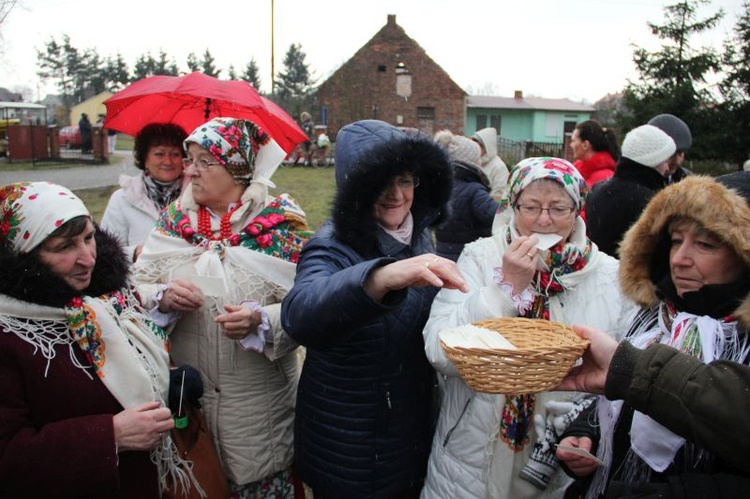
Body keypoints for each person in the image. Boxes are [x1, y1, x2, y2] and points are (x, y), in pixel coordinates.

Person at [420, 157, 638, 499]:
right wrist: (505, 288)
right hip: (473, 453)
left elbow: (623, 373)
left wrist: (588, 430)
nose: (543, 220)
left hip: (558, 452)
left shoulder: (609, 276)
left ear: (577, 209)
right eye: (531, 206)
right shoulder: (480, 257)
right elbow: (439, 351)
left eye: (558, 207)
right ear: (512, 205)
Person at [280, 119, 468, 498]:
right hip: (351, 448)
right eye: (380, 182)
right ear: (356, 188)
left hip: (408, 436)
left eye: (404, 180)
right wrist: (379, 278)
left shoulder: (419, 236)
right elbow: (300, 315)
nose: (396, 194)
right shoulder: (331, 245)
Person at [132, 117, 311, 498]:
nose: (189, 170)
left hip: (259, 422)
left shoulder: (280, 228)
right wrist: (160, 298)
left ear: (237, 169)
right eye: (188, 158)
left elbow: (308, 308)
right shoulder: (172, 224)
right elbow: (132, 292)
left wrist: (261, 322)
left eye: (202, 161)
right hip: (188, 416)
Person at [557, 173, 750, 498]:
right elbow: (618, 397)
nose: (680, 259)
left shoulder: (741, 341)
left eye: (705, 244)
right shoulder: (654, 315)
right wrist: (585, 434)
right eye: (676, 240)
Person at [0, 181, 191, 498]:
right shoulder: (10, 332)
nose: (88, 258)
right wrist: (110, 436)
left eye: (89, 237)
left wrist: (170, 380)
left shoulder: (106, 296)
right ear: (23, 255)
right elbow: (8, 457)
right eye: (64, 247)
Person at [100, 123, 189, 263]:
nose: (168, 161)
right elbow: (105, 251)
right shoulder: (123, 199)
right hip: (139, 281)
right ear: (145, 159)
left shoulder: (199, 195)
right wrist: (134, 253)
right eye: (159, 154)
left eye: (175, 154)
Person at [585, 124, 675, 257]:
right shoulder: (651, 201)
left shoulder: (597, 190)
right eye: (665, 161)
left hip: (597, 269)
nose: (667, 168)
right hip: (631, 276)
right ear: (653, 160)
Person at [434, 129, 499, 261]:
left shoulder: (440, 187)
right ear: (471, 162)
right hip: (469, 255)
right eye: (478, 158)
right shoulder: (474, 190)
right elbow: (496, 216)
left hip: (442, 253)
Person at [569, 120, 620, 189]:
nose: (571, 145)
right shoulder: (576, 172)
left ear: (585, 145)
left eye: (573, 141)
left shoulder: (606, 178)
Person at [648, 113, 692, 184]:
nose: (676, 161)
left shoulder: (688, 181)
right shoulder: (631, 181)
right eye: (670, 154)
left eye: (680, 153)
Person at [471, 126, 510, 200]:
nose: (475, 147)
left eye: (478, 145)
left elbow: (500, 193)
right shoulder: (472, 162)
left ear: (486, 146)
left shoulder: (499, 167)